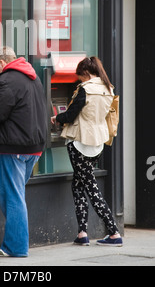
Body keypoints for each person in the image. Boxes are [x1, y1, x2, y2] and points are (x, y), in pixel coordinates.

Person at [0, 46, 47, 257]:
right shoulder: (33, 78)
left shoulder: (7, 80)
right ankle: (16, 244)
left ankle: (15, 247)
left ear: (2, 63)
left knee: (12, 196)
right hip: (32, 147)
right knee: (17, 195)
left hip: (11, 147)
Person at [51, 56, 123, 247]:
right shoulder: (108, 89)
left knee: (91, 187)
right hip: (98, 142)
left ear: (85, 73)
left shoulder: (86, 89)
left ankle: (114, 232)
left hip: (80, 142)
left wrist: (57, 118)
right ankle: (82, 233)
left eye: (80, 76)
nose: (80, 80)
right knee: (78, 184)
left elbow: (71, 114)